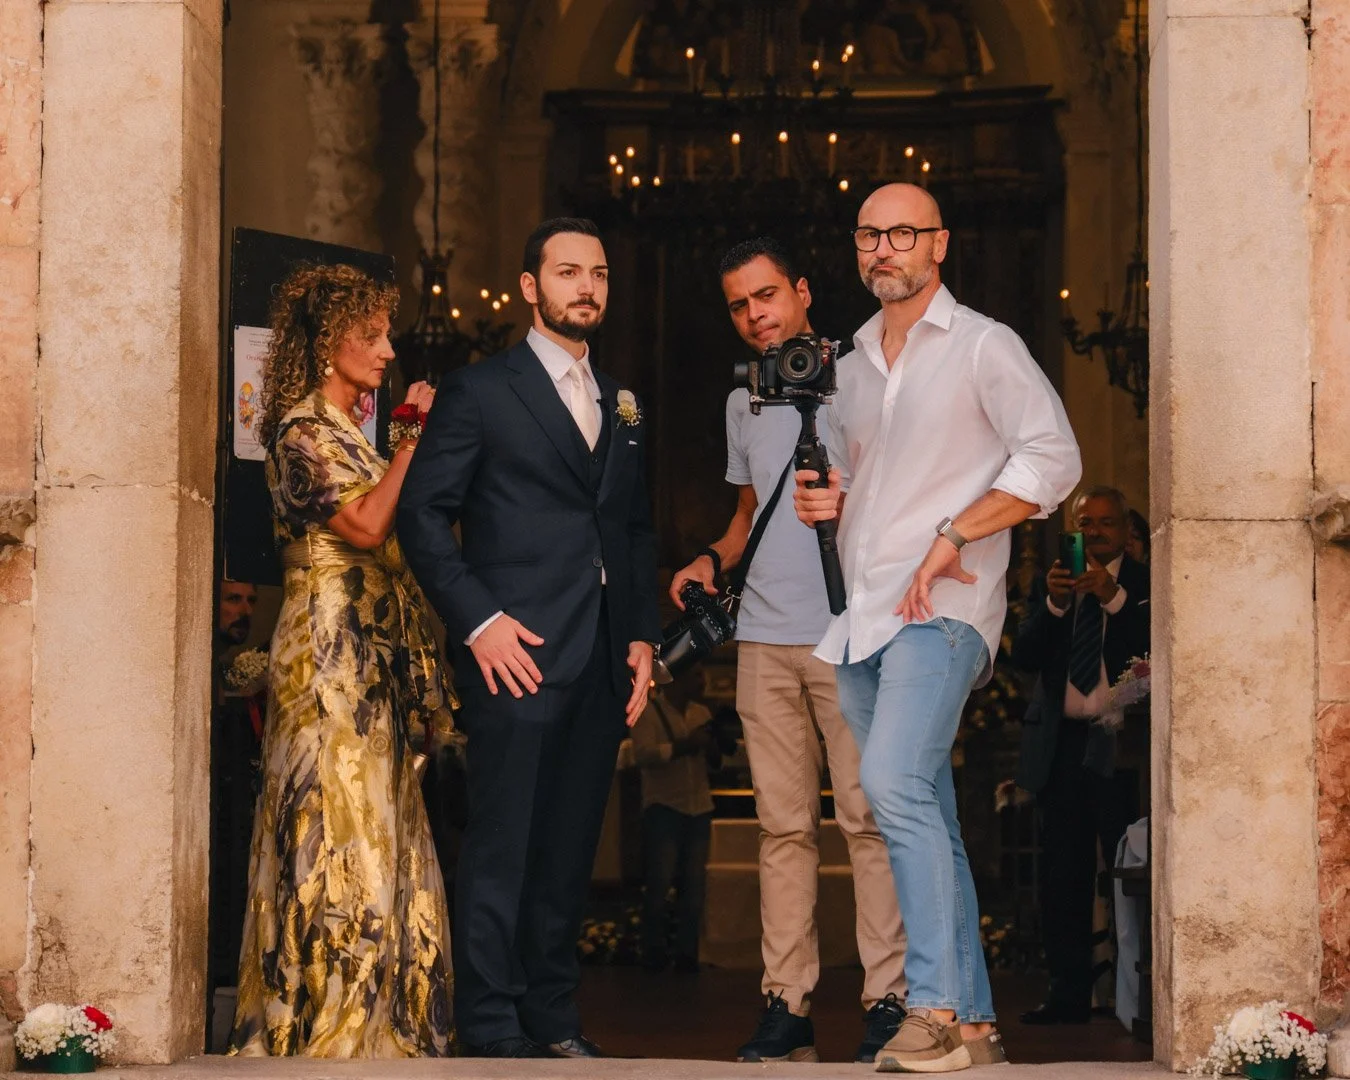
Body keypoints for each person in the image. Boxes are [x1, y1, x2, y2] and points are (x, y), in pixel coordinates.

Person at [794, 183, 1081, 1073]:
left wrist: (957, 532)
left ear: (939, 244)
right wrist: (824, 500)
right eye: (869, 235)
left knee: (892, 784)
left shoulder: (985, 346)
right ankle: (978, 1031)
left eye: (903, 233)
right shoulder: (844, 366)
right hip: (864, 616)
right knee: (922, 812)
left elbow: (1054, 456)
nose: (885, 248)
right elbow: (855, 483)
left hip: (944, 612)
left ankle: (933, 1009)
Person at [396, 218, 661, 1059]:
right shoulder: (481, 391)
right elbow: (423, 517)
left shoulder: (623, 400)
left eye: (600, 273)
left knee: (567, 853)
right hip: (512, 657)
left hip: (601, 662)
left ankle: (553, 1019)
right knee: (505, 846)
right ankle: (491, 1022)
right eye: (569, 272)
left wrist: (643, 639)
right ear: (529, 288)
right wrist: (477, 622)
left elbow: (634, 529)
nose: (588, 287)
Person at [670, 236, 908, 1064]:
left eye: (766, 296)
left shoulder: (868, 376)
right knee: (782, 829)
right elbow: (748, 517)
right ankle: (787, 1002)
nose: (755, 315)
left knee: (868, 820)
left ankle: (889, 998)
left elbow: (899, 500)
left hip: (853, 631)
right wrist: (709, 557)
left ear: (804, 292)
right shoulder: (745, 403)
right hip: (765, 641)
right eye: (739, 305)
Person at [229, 263, 457, 1058]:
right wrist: (407, 443)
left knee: (381, 818)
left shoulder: (348, 432)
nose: (389, 349)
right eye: (373, 335)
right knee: (333, 822)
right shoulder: (299, 430)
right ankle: (329, 1026)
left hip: (373, 650)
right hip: (325, 651)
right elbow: (362, 527)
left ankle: (381, 1023)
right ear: (332, 345)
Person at [1012, 486, 1150, 1024]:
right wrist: (1054, 604)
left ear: (1125, 529)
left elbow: (1162, 645)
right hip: (1063, 748)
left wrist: (1114, 598)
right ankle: (1067, 991)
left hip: (1123, 748)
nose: (1095, 533)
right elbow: (1023, 657)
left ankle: (1133, 990)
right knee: (1063, 874)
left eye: (1106, 524)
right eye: (1085, 523)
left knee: (1129, 866)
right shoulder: (1055, 582)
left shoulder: (1143, 582)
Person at [630, 666, 715, 975]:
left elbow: (715, 760)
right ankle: (652, 954)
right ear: (677, 679)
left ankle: (686, 956)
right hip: (664, 806)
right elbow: (643, 754)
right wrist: (684, 746)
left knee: (694, 887)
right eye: (695, 675)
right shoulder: (649, 712)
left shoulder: (701, 712)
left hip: (699, 806)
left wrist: (713, 746)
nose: (701, 681)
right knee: (659, 884)